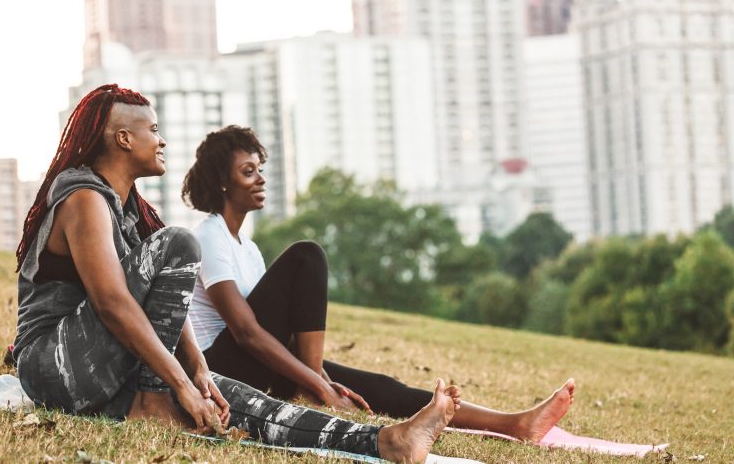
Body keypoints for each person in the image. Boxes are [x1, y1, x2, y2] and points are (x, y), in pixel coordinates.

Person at [11, 83, 462, 462]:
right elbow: (113, 304)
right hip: (54, 366)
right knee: (179, 242)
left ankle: (388, 442)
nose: (162, 140)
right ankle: (152, 403)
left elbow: (165, 307)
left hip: (108, 369)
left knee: (246, 403)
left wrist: (199, 372)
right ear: (124, 139)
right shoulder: (84, 199)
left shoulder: (129, 211)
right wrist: (172, 385)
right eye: (153, 129)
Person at [183, 125, 576, 442]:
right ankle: (320, 386)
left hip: (256, 363)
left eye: (260, 169)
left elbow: (268, 330)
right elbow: (246, 332)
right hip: (222, 370)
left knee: (377, 386)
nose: (260, 179)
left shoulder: (247, 249)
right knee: (306, 255)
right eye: (247, 172)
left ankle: (513, 425)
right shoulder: (210, 235)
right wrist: (320, 387)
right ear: (222, 183)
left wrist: (324, 381)